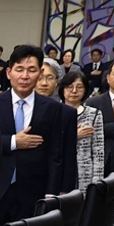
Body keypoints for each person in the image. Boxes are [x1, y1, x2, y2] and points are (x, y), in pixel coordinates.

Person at [0, 44, 67, 226]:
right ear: (8, 73)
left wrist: (52, 195)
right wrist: (13, 142)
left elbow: (56, 154)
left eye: (32, 70)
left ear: (39, 73)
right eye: (19, 69)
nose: (25, 75)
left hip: (33, 190)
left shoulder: (52, 108)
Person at [58, 70, 104, 189]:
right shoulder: (54, 112)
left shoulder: (94, 114)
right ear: (62, 89)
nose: (74, 91)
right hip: (59, 172)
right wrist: (73, 136)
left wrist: (97, 182)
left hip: (84, 174)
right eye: (69, 87)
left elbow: (98, 150)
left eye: (79, 87)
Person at [39, 58, 80, 191]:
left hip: (53, 181)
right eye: (40, 77)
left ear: (57, 82)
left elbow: (69, 156)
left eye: (50, 77)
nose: (44, 83)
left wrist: (65, 190)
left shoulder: (67, 113)